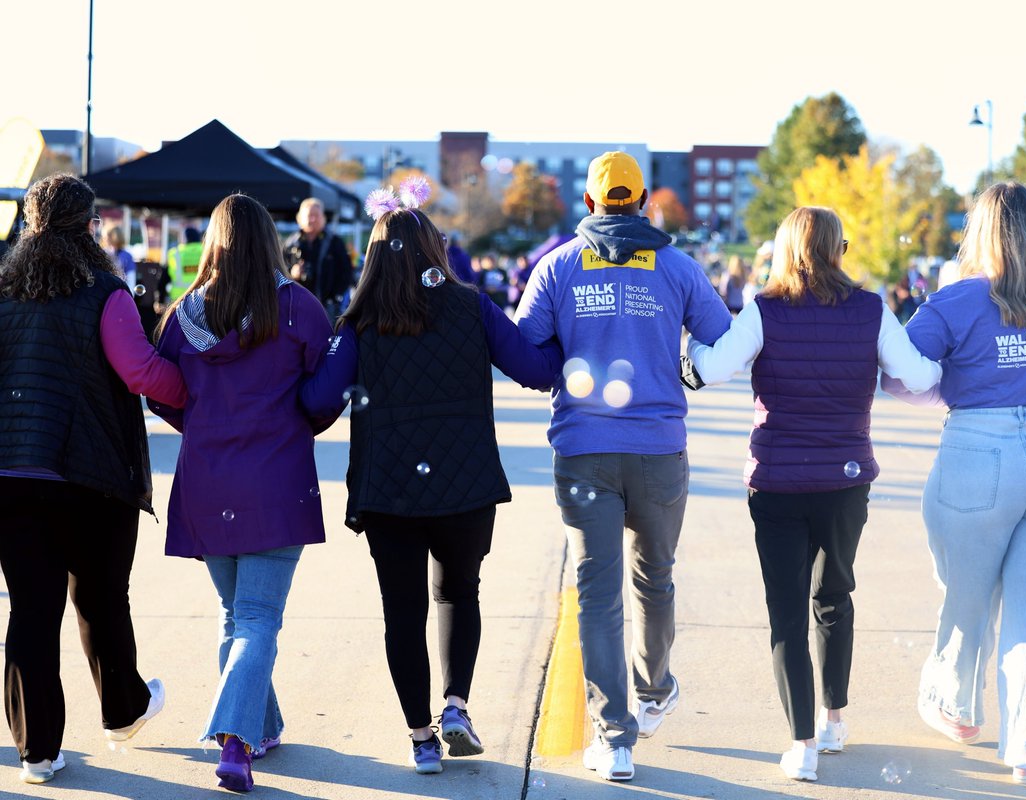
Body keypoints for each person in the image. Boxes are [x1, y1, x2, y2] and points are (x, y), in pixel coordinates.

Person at [301, 180, 562, 775]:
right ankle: (456, 707)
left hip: (388, 489)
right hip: (465, 484)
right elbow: (535, 369)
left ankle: (420, 739)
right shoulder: (473, 307)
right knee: (458, 593)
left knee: (402, 610)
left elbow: (318, 401)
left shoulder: (359, 322)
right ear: (434, 252)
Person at [684, 207, 941, 782]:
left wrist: (689, 358)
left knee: (786, 612)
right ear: (835, 250)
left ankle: (800, 745)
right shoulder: (872, 310)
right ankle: (834, 718)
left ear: (785, 250)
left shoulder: (764, 311)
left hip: (776, 481)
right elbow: (920, 377)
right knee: (834, 597)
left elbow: (714, 368)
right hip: (846, 481)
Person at [882, 182, 1026, 785]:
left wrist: (955, 386)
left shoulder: (953, 303)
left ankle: (955, 701)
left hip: (977, 451)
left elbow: (902, 378)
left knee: (966, 590)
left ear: (977, 233)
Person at [515, 151, 731, 782]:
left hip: (584, 449)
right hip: (661, 449)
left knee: (598, 593)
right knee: (655, 579)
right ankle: (655, 688)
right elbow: (721, 338)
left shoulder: (556, 266)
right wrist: (685, 364)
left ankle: (614, 737)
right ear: (642, 203)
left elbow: (526, 347)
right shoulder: (677, 266)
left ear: (588, 203)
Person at [0, 174, 183, 784]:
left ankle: (37, 753)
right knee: (100, 596)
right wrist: (198, 394)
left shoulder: (1, 291)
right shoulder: (105, 292)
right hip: (88, 476)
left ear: (30, 227)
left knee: (31, 610)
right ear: (90, 229)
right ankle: (123, 713)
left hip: (10, 474)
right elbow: (140, 372)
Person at [151, 193, 334, 793]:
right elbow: (326, 391)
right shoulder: (299, 309)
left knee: (238, 617)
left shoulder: (184, 315)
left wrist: (204, 425)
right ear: (269, 241)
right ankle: (236, 743)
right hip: (276, 480)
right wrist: (302, 421)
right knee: (255, 620)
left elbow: (163, 393)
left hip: (207, 479)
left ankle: (264, 726)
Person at [284, 197, 354, 323]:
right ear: (299, 219)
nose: (313, 219)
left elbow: (347, 272)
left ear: (323, 218)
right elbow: (278, 272)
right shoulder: (290, 244)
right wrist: (291, 273)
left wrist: (334, 297)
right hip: (297, 308)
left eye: (316, 215)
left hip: (327, 308)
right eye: (309, 215)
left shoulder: (335, 243)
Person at [165, 226, 204, 302]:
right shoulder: (206, 251)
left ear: (185, 239)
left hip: (178, 299)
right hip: (202, 297)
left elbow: (165, 277)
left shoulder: (175, 253)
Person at [103, 222, 137, 290]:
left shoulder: (126, 256)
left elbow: (131, 279)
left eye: (107, 236)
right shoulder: (103, 253)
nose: (104, 239)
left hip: (120, 291)